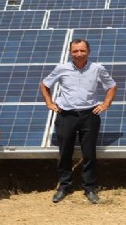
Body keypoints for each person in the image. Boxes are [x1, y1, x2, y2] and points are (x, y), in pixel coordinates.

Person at [40, 39, 117, 204]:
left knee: (89, 153)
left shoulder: (97, 69)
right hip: (66, 115)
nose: (79, 54)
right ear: (70, 52)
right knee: (65, 152)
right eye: (75, 51)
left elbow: (111, 86)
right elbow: (45, 85)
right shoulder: (62, 68)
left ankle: (89, 187)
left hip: (89, 115)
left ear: (88, 51)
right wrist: (49, 103)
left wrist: (105, 104)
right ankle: (64, 186)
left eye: (82, 51)